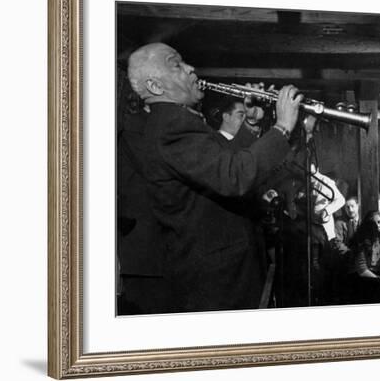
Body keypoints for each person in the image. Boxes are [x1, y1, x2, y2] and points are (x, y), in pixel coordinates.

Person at [121, 42, 303, 313]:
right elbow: (234, 175)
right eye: (177, 64)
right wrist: (282, 127)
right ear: (156, 86)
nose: (191, 68)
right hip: (217, 281)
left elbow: (225, 160)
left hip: (224, 271)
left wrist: (253, 122)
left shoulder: (179, 121)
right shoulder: (171, 126)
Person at [346, 211, 380, 303]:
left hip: (376, 275)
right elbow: (362, 270)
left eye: (379, 222)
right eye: (373, 223)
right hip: (361, 278)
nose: (377, 225)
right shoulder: (361, 240)